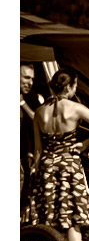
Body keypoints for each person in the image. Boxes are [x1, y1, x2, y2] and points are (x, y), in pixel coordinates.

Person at [29, 69, 89, 241]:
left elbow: (38, 150)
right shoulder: (75, 108)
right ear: (70, 86)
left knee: (49, 220)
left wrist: (35, 176)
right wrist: (84, 144)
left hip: (47, 167)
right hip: (69, 165)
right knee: (73, 222)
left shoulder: (40, 112)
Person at [20, 63, 43, 209]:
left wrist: (22, 103)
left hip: (24, 155)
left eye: (32, 79)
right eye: (26, 77)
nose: (30, 82)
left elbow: (39, 121)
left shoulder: (33, 98)